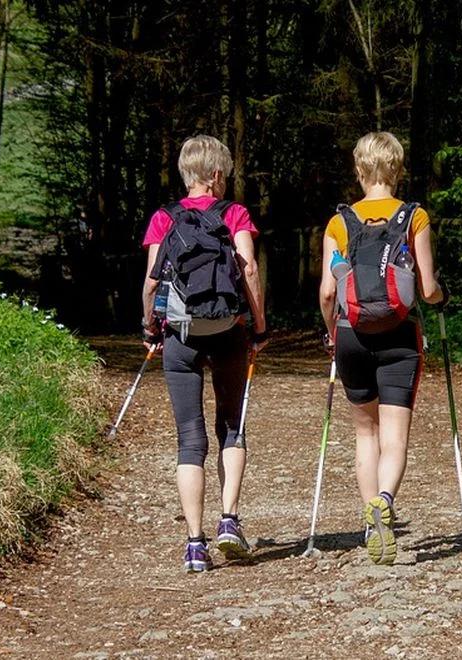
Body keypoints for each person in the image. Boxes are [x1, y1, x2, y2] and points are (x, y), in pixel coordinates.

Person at [141, 135, 269, 573]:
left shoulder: (164, 218)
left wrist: (150, 326)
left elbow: (153, 283)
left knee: (189, 439)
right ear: (217, 175)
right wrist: (260, 325)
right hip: (228, 329)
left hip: (181, 335)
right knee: (231, 425)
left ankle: (195, 544)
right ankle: (229, 519)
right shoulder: (234, 214)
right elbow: (248, 269)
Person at [318, 131, 446, 565]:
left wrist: (331, 334)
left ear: (359, 170)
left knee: (364, 433)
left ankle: (371, 519)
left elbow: (325, 292)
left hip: (350, 334)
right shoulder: (414, 217)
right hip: (398, 335)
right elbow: (427, 289)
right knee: (394, 437)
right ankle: (386, 500)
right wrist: (441, 297)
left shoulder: (338, 224)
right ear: (397, 169)